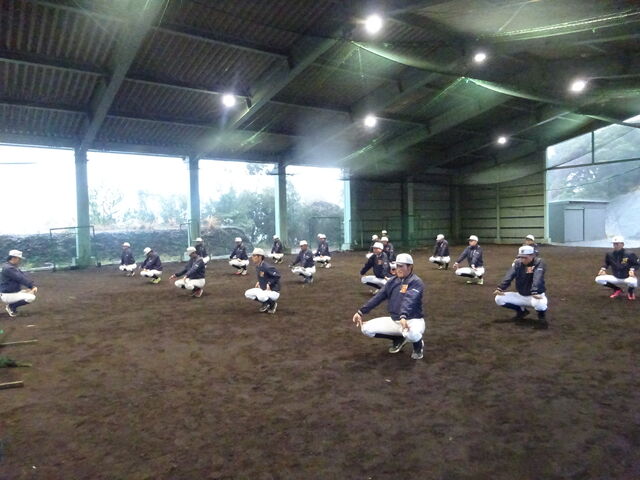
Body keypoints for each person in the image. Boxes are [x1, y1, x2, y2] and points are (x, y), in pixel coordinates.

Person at [352, 253, 425, 360]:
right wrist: (361, 311)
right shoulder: (392, 282)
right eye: (397, 266)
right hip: (395, 320)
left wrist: (403, 315)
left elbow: (409, 299)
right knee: (366, 328)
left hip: (412, 320)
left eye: (401, 266)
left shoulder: (416, 282)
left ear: (410, 267)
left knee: (411, 333)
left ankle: (418, 347)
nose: (398, 269)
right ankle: (398, 339)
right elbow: (377, 298)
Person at [494, 245, 548, 329]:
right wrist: (500, 288)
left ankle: (542, 319)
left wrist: (535, 291)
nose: (522, 259)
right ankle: (521, 311)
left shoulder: (539, 262)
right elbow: (509, 275)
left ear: (532, 255)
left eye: (525, 257)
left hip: (534, 296)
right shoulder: (518, 263)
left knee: (540, 304)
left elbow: (537, 276)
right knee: (499, 298)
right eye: (520, 257)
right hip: (521, 295)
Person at [595, 236, 637, 300]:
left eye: (617, 244)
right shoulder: (609, 254)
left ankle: (630, 291)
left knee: (634, 282)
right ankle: (617, 289)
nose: (615, 245)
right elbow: (607, 263)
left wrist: (632, 269)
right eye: (614, 244)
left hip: (627, 277)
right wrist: (603, 269)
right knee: (598, 279)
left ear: (622, 244)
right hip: (615, 277)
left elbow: (637, 264)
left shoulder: (630, 254)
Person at [1, 250, 37, 318]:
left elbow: (22, 276)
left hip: (10, 292)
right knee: (31, 297)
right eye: (19, 258)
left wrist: (28, 287)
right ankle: (11, 306)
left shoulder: (10, 266)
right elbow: (20, 278)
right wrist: (31, 286)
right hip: (8, 295)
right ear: (13, 258)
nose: (20, 260)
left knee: (27, 293)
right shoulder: (9, 268)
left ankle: (12, 306)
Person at [244, 248, 281, 314]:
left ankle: (272, 304)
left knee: (261, 296)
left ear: (260, 257)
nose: (252, 257)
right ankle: (266, 303)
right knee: (247, 293)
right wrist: (259, 282)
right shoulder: (258, 266)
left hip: (273, 291)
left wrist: (269, 283)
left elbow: (277, 275)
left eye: (254, 255)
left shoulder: (267, 267)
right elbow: (264, 276)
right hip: (264, 290)